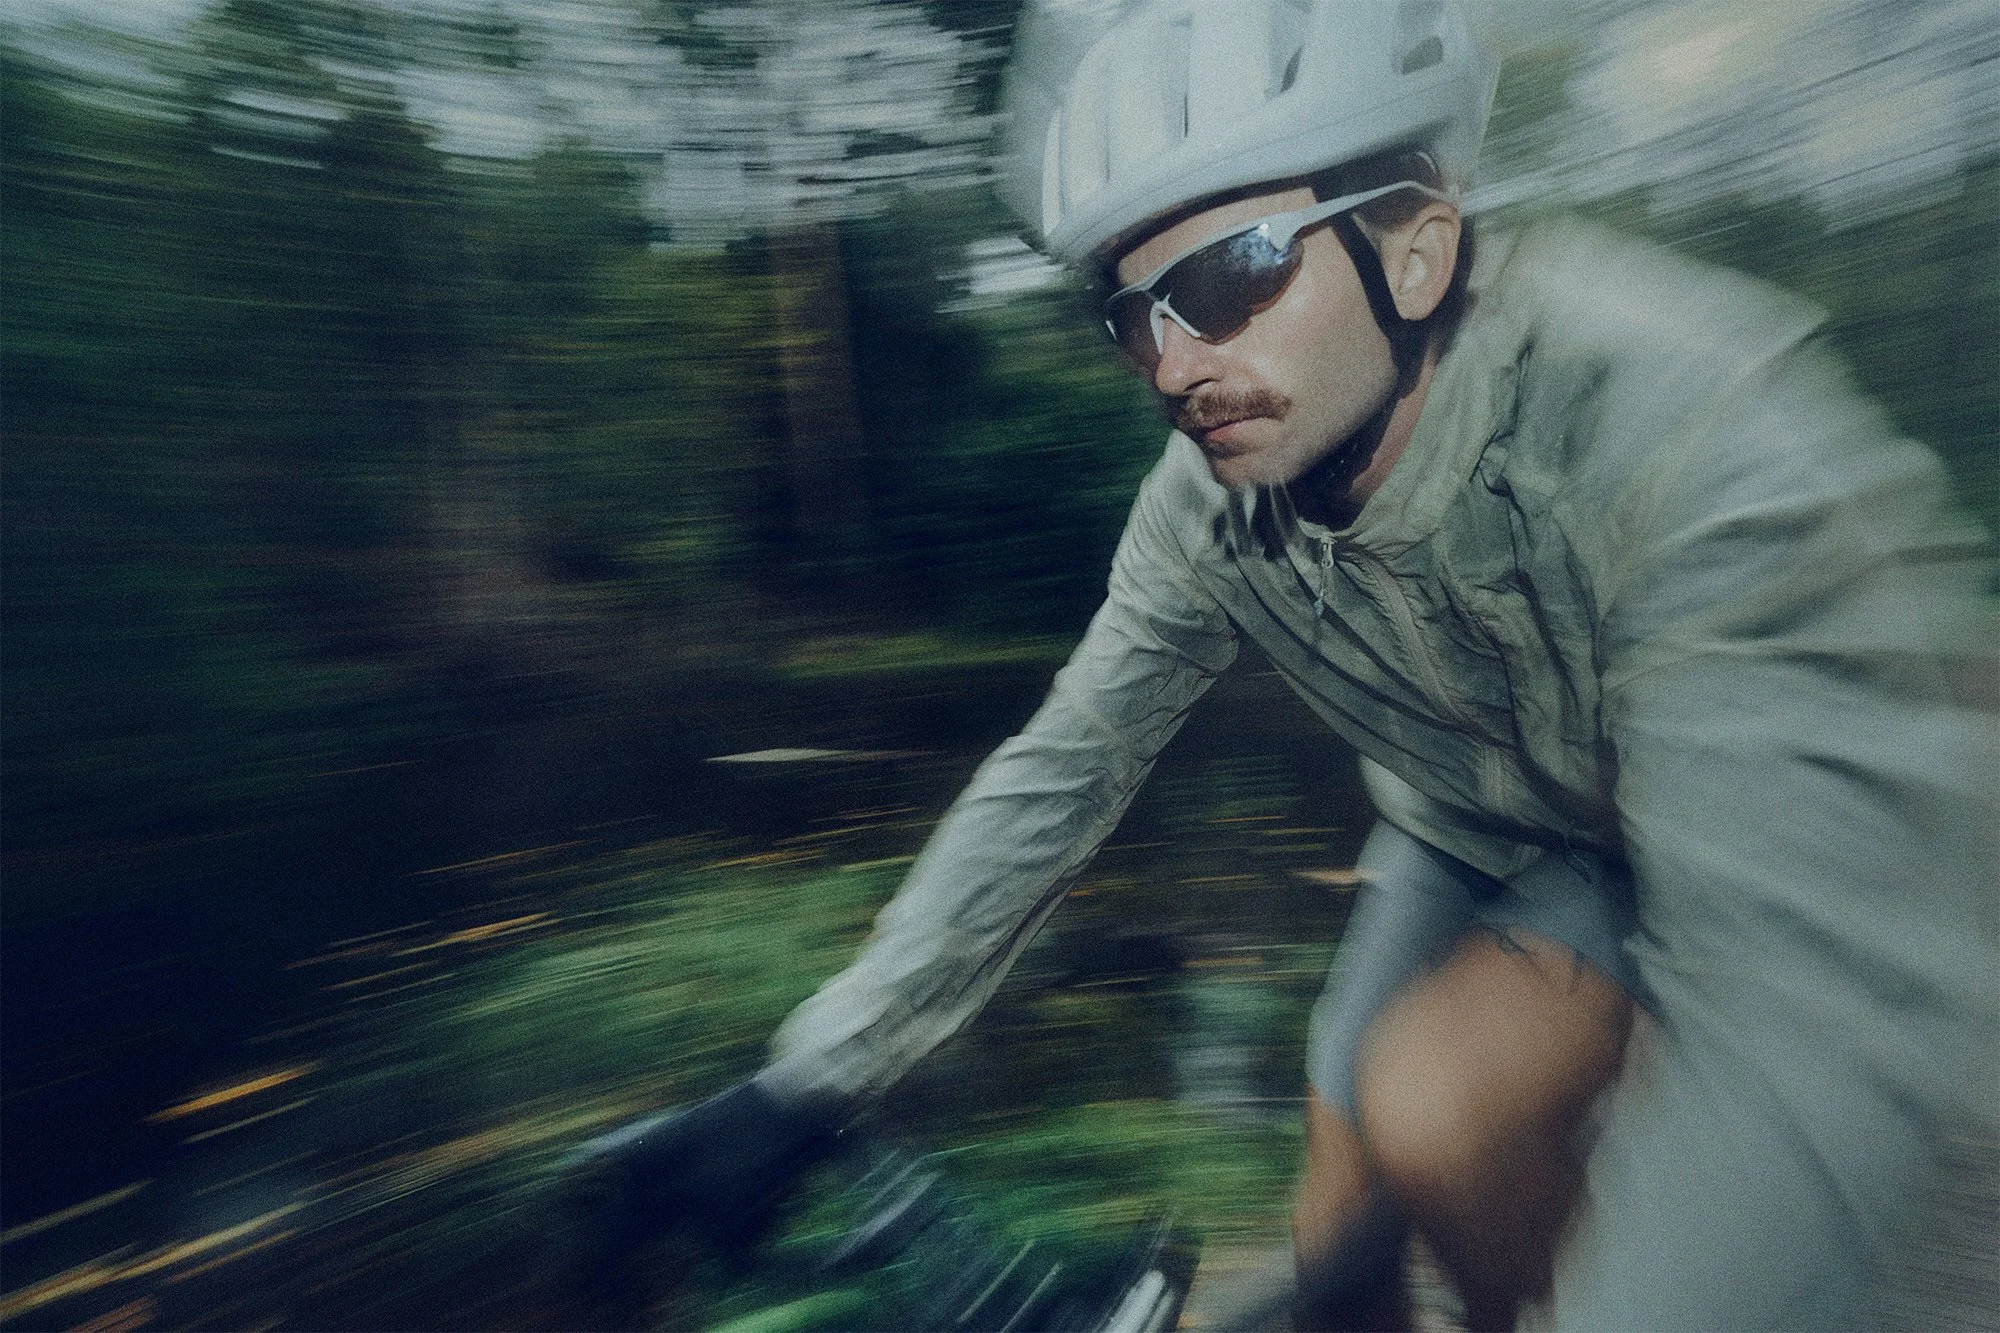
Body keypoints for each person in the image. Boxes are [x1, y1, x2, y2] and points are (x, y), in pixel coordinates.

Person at [575, 2, 1998, 1327]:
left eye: (1227, 274)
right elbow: (1063, 772)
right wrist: (810, 1078)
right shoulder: (1206, 509)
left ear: (1419, 250)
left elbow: (1810, 1048)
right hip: (1475, 821)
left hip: (1734, 805)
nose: (1172, 362)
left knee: (1437, 1100)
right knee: (1342, 1196)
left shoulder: (1682, 425)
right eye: (1127, 310)